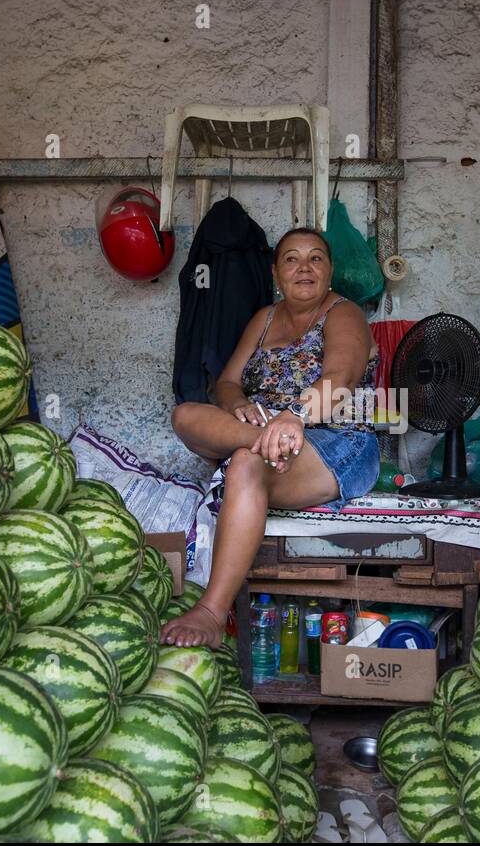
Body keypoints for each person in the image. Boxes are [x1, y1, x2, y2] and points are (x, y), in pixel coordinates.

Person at [162, 227, 380, 648]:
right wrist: (239, 405)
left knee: (246, 462)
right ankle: (265, 443)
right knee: (186, 414)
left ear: (330, 270)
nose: (304, 267)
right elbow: (226, 383)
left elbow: (341, 378)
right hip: (268, 435)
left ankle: (210, 610)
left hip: (337, 440)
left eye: (316, 258)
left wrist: (294, 416)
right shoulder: (263, 319)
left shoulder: (344, 312)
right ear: (276, 273)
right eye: (292, 259)